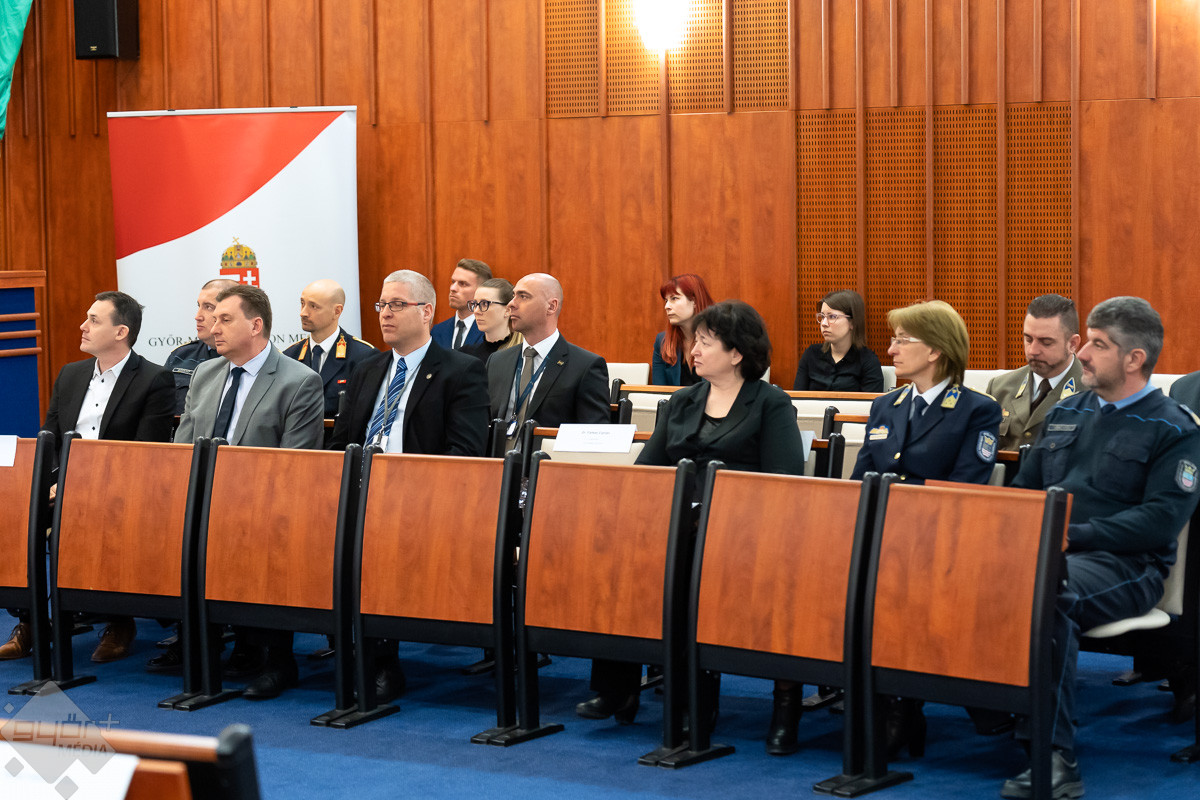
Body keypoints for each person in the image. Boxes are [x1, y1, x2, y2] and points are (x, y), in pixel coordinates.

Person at [578, 300, 806, 749]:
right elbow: (647, 471)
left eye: (705, 342)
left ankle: (693, 706)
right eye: (694, 342)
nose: (693, 351)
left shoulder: (770, 403)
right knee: (616, 549)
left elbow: (782, 483)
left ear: (736, 353)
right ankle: (618, 685)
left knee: (681, 562)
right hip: (678, 521)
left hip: (739, 530)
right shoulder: (682, 401)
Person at [1002, 297, 1200, 800]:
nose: (1083, 354)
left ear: (1134, 358)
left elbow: (1160, 520)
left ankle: (1054, 756)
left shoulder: (1175, 427)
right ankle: (977, 710)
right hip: (1051, 552)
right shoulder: (1066, 412)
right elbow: (1024, 491)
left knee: (1049, 593)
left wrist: (1074, 534)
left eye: (1097, 344)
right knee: (950, 575)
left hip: (1127, 566)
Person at [328, 269, 489, 702]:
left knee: (377, 536)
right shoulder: (367, 369)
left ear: (427, 311)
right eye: (382, 305)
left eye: (397, 305)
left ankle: (381, 660)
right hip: (359, 488)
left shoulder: (460, 371)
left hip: (419, 498)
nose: (385, 314)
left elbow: (465, 453)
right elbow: (341, 441)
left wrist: (407, 488)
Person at [5, 291, 175, 664]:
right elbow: (49, 439)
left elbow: (145, 455)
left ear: (121, 332)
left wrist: (75, 486)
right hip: (61, 484)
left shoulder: (154, 379)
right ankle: (31, 621)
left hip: (120, 491)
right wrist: (48, 483)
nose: (83, 326)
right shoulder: (71, 374)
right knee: (14, 514)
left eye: (94, 320)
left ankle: (119, 622)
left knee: (93, 521)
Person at [173, 284, 325, 700]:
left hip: (266, 507)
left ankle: (278, 660)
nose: (213, 328)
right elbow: (182, 449)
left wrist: (236, 499)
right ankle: (202, 651)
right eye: (213, 318)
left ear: (256, 326)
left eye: (225, 319)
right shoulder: (206, 374)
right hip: (204, 500)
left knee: (268, 536)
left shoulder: (299, 381)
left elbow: (295, 466)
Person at [851, 300, 1001, 485]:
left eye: (902, 341)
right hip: (879, 503)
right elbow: (860, 482)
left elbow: (963, 489)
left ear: (935, 351)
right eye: (894, 340)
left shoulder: (977, 410)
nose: (891, 350)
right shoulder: (884, 406)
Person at [485, 273, 609, 445]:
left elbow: (594, 437)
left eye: (523, 296)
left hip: (545, 460)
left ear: (551, 306)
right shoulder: (497, 361)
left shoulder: (585, 366)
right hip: (494, 459)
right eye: (513, 296)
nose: (511, 304)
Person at [986, 294, 1083, 451]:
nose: (1033, 350)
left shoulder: (1094, 392)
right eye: (1028, 339)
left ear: (1072, 344)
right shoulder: (999, 388)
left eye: (1046, 342)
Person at [282, 279, 376, 418]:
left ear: (337, 311)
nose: (303, 313)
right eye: (302, 304)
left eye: (313, 306)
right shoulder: (290, 356)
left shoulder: (364, 356)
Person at [163, 278, 237, 414]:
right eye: (199, 306)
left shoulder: (253, 359)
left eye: (208, 307)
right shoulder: (180, 356)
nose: (198, 316)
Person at [792, 289, 884, 392]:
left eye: (832, 317)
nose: (824, 323)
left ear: (852, 322)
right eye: (822, 317)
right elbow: (798, 398)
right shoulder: (811, 354)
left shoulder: (868, 361)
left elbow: (871, 402)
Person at [651, 273, 715, 386]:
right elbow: (659, 392)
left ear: (695, 301)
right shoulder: (662, 342)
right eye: (666, 300)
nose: (667, 306)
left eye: (674, 298)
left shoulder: (720, 338)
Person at [430, 258, 491, 350]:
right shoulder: (438, 330)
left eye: (463, 284)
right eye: (453, 282)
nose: (453, 288)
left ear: (481, 291)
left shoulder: (489, 330)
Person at [460, 278, 522, 363]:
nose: (476, 311)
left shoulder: (521, 355)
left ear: (508, 310)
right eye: (475, 304)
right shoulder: (465, 354)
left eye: (485, 304)